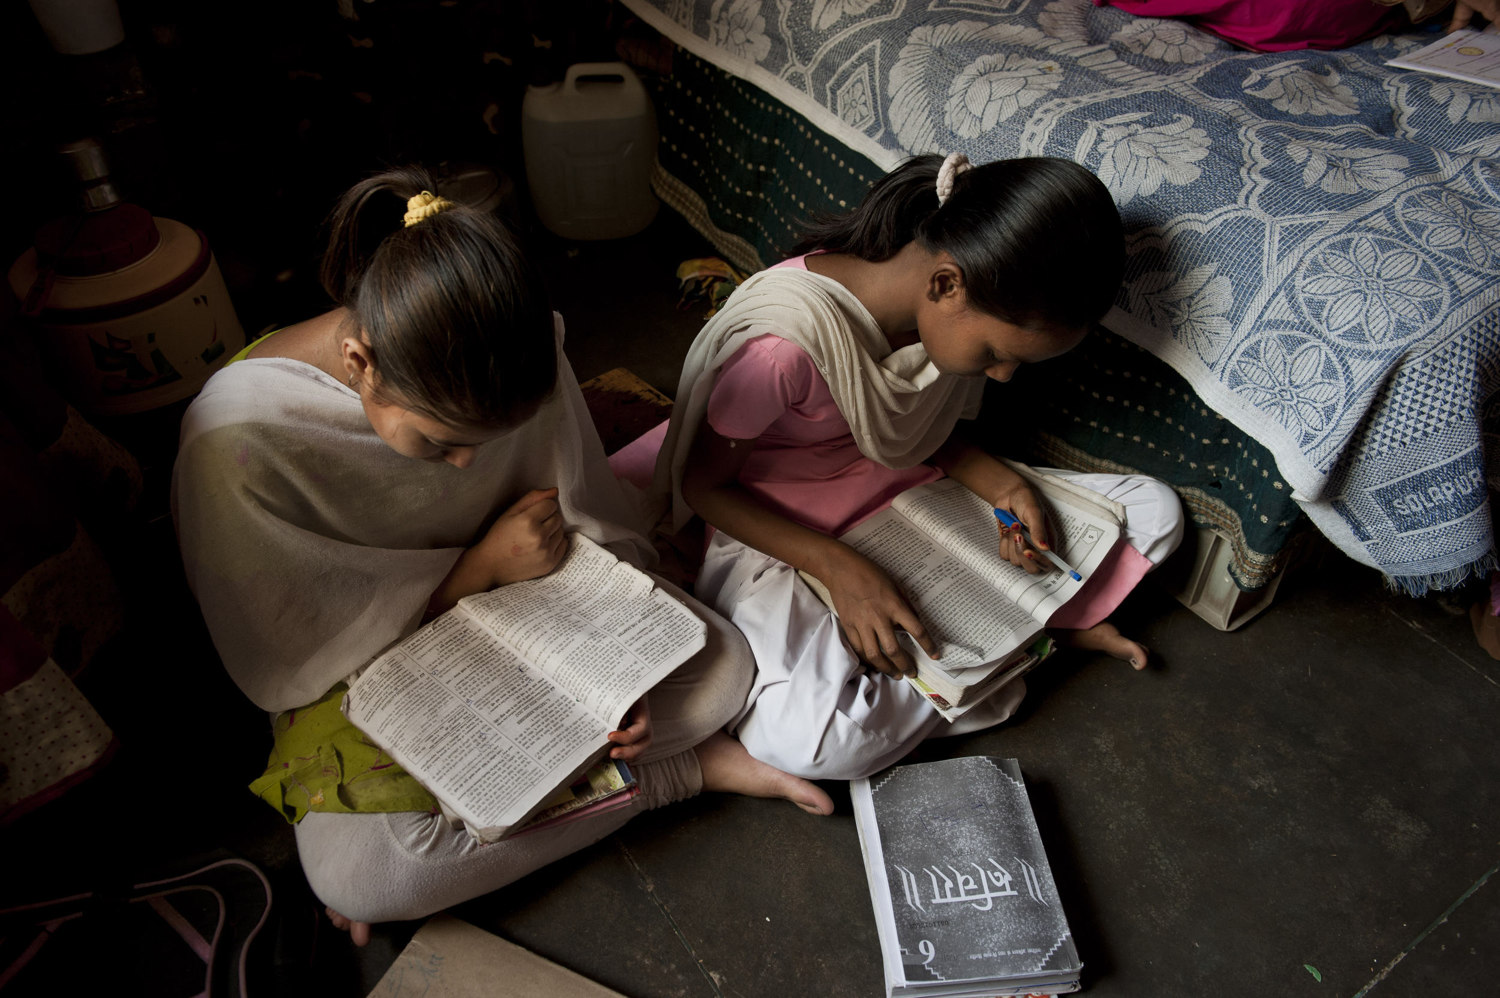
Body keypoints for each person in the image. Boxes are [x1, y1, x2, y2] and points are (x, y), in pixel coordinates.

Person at [171, 166, 833, 946]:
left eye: (483, 446)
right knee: (365, 873)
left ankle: (560, 792)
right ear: (359, 363)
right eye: (440, 443)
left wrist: (609, 670)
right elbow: (292, 653)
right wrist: (475, 571)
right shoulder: (241, 441)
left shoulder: (518, 353)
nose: (463, 468)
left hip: (526, 596)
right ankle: (671, 778)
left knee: (723, 669)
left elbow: (587, 518)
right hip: (364, 662)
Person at [654, 153, 1185, 782]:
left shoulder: (942, 310)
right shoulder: (783, 349)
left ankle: (1000, 654)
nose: (1002, 375)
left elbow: (919, 435)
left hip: (910, 491)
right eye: (995, 353)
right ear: (945, 285)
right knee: (806, 741)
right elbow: (703, 485)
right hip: (788, 532)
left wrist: (999, 481)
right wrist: (838, 566)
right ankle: (1029, 647)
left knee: (1155, 511)